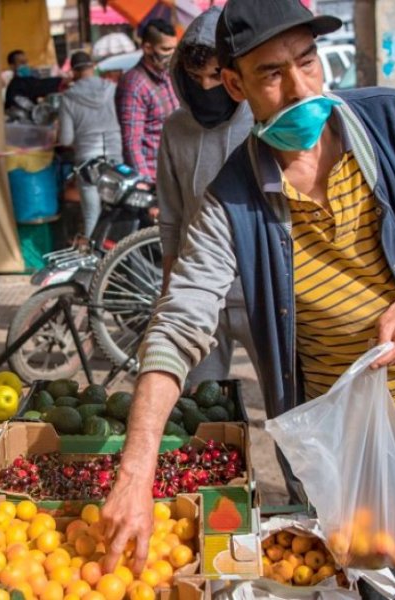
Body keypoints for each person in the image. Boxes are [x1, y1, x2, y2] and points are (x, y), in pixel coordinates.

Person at [100, 0, 395, 575]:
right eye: (271, 73)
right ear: (235, 84)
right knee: (378, 582)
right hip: (353, 446)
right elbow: (179, 322)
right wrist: (135, 474)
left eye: (307, 61)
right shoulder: (231, 201)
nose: (299, 87)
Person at [157, 7, 256, 385]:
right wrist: (169, 296)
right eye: (195, 78)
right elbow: (171, 218)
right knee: (200, 408)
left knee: (289, 411)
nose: (207, 88)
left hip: (258, 290)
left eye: (216, 75)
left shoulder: (260, 119)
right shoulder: (175, 128)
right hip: (197, 291)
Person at [58, 51, 123, 236]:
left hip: (87, 160)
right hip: (114, 153)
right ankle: (121, 256)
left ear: (73, 72)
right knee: (118, 209)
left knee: (91, 213)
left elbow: (66, 139)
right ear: (93, 66)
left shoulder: (68, 98)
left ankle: (95, 260)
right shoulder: (112, 89)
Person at [115, 19, 178, 181]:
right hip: (155, 178)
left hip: (177, 173)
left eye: (174, 48)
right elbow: (132, 144)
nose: (172, 54)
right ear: (148, 48)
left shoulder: (169, 76)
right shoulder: (134, 84)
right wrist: (147, 186)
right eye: (166, 49)